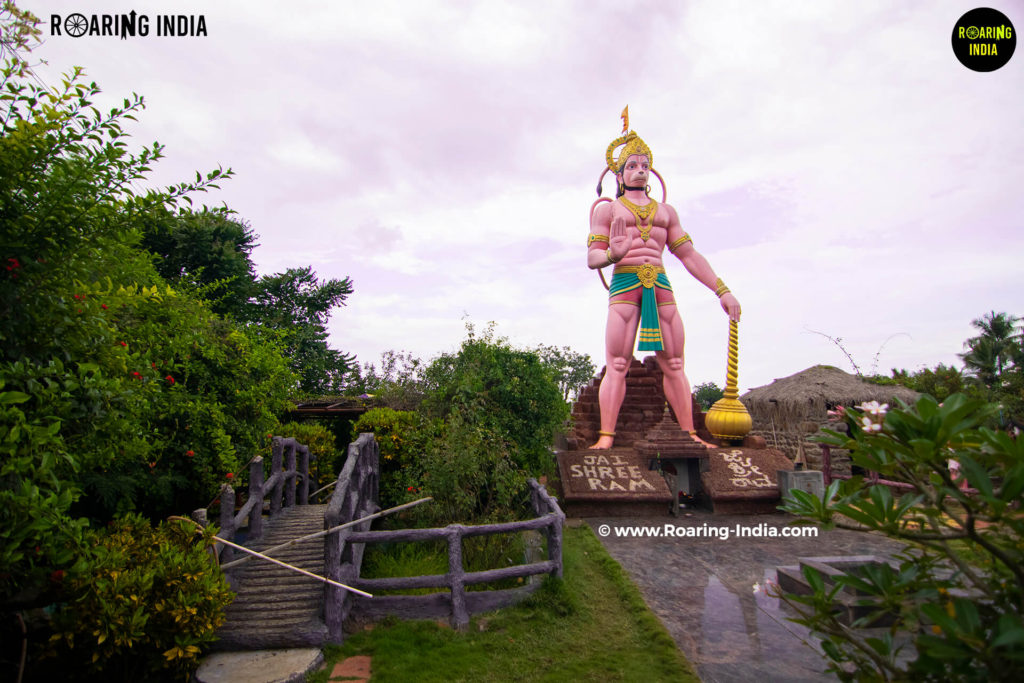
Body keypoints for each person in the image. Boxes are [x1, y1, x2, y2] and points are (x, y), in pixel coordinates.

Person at [588, 115, 741, 449]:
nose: (640, 169)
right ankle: (605, 436)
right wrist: (613, 255)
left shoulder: (667, 213)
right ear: (619, 174)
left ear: (652, 173)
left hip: (660, 286)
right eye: (632, 165)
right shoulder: (607, 211)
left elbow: (688, 255)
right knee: (617, 362)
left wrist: (722, 289)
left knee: (674, 362)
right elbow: (592, 259)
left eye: (645, 165)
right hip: (625, 285)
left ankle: (689, 433)